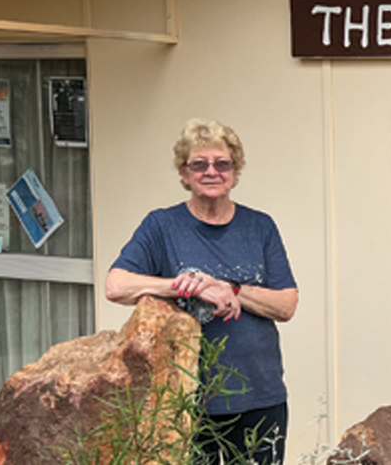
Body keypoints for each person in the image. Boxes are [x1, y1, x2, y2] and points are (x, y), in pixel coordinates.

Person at [104, 118, 298, 464]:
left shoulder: (260, 227)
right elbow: (116, 285)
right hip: (185, 399)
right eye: (199, 164)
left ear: (235, 172)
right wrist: (187, 285)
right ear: (184, 173)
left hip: (259, 396)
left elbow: (286, 304)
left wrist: (230, 289)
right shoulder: (162, 226)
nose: (212, 172)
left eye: (222, 164)